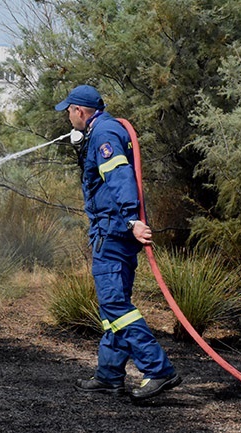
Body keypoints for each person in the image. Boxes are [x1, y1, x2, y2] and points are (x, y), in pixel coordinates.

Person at [54, 84, 181, 401]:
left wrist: (132, 219)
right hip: (113, 229)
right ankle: (109, 376)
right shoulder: (102, 130)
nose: (68, 116)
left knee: (115, 305)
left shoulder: (104, 134)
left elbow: (120, 176)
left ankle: (158, 370)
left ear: (80, 111)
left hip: (112, 231)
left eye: (69, 111)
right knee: (114, 308)